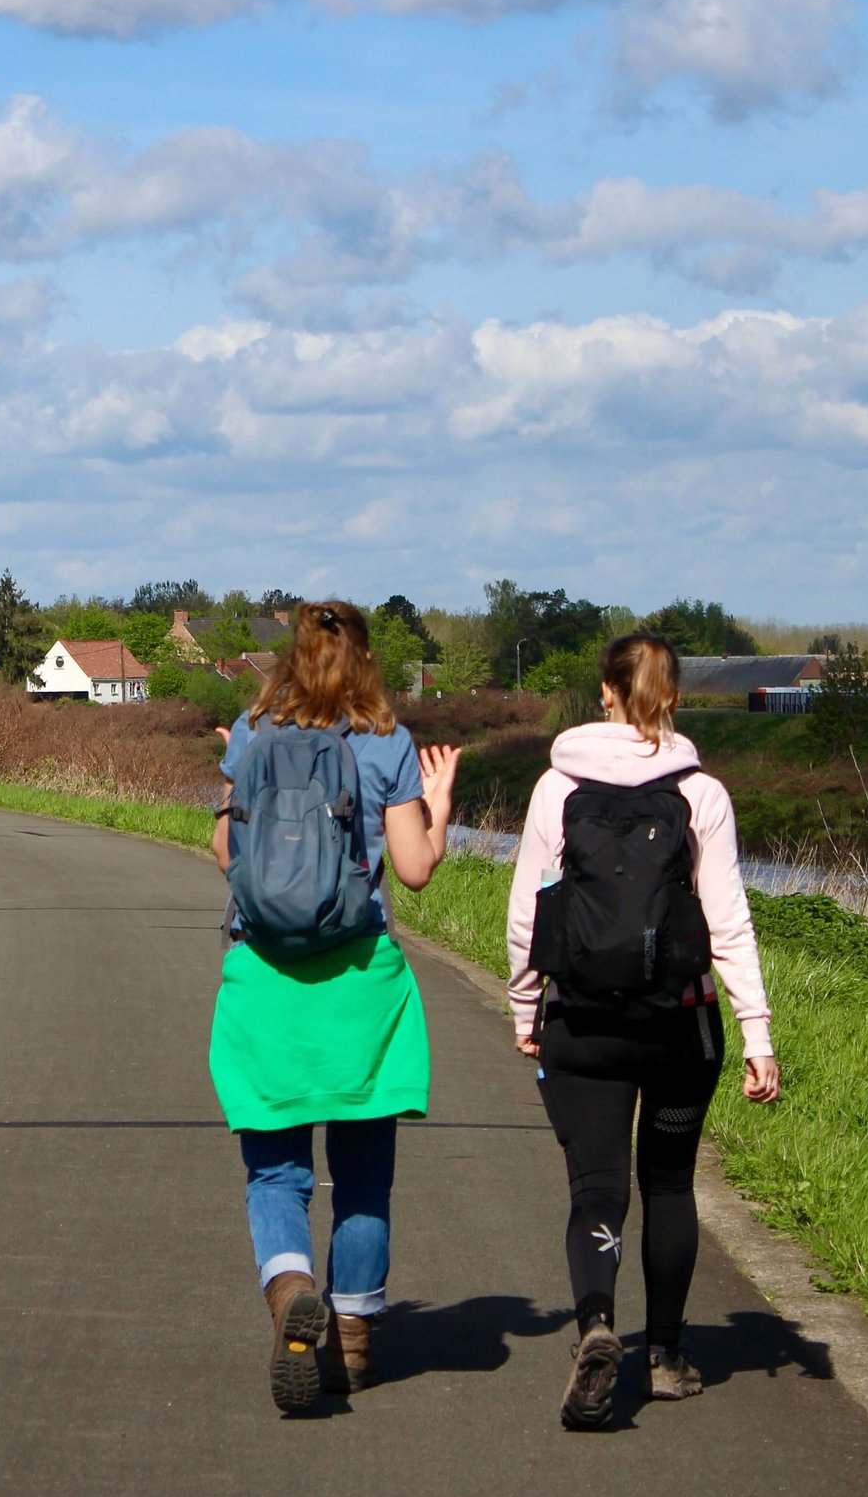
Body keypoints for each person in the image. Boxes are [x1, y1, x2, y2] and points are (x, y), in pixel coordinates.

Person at [505, 634, 780, 1430]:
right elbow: (728, 922)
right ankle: (663, 1357)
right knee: (668, 1183)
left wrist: (527, 1010)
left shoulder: (557, 786)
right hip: (680, 1026)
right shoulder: (702, 793)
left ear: (605, 693)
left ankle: (595, 1322)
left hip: (583, 1023)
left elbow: (529, 914)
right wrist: (756, 1033)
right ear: (675, 697)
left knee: (596, 1184)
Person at [208, 600, 460, 1413]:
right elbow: (415, 868)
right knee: (362, 1174)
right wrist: (442, 807)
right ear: (366, 658)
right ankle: (352, 1342)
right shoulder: (386, 740)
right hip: (358, 980)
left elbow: (225, 853)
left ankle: (289, 1288)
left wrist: (236, 781)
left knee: (274, 1169)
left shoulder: (254, 731)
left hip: (267, 978)